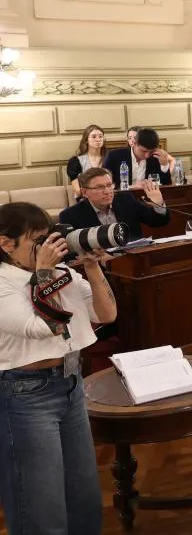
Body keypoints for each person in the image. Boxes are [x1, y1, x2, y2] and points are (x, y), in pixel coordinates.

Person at [0, 202, 117, 534]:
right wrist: (44, 273)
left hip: (70, 383)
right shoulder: (4, 282)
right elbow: (46, 326)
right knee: (40, 505)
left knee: (84, 498)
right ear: (5, 244)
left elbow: (106, 314)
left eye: (48, 236)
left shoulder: (62, 272)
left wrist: (92, 267)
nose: (48, 247)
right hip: (24, 395)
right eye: (37, 240)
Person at [60, 167, 170, 239]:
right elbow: (71, 252)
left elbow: (157, 222)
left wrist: (158, 204)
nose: (107, 191)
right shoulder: (70, 216)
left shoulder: (126, 200)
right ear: (84, 192)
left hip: (133, 259)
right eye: (99, 187)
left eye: (109, 185)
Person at [104, 126, 173, 188]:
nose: (147, 155)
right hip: (122, 197)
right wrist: (132, 187)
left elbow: (166, 186)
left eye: (151, 151)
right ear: (134, 143)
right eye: (144, 151)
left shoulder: (156, 157)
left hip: (149, 197)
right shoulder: (114, 156)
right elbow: (105, 185)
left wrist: (164, 165)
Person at [66, 124, 106, 199]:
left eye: (100, 136)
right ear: (86, 140)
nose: (98, 139)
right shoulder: (75, 161)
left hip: (108, 197)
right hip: (85, 199)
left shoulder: (110, 158)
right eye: (94, 137)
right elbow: (78, 191)